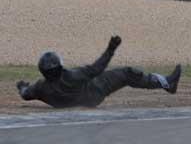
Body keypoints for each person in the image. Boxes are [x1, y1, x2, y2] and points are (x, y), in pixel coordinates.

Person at [16, 36, 181, 108]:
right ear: (59, 66)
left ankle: (167, 84)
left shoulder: (39, 88)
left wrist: (22, 86)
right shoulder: (73, 76)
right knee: (128, 73)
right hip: (95, 93)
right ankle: (167, 83)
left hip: (84, 101)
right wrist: (111, 49)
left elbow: (25, 94)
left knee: (123, 74)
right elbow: (97, 68)